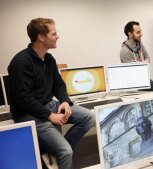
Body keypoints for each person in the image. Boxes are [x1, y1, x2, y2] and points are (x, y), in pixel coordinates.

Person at [7, 18, 95, 169]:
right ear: (41, 37)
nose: (58, 36)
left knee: (89, 118)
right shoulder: (20, 62)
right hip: (28, 114)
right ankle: (61, 152)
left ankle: (55, 152)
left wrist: (65, 101)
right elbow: (24, 99)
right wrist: (50, 116)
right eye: (54, 33)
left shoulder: (48, 59)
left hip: (49, 105)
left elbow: (58, 84)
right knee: (66, 152)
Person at [120, 21, 153, 94]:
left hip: (144, 79)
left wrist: (141, 64)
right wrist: (143, 64)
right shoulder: (125, 51)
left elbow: (148, 58)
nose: (141, 34)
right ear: (130, 34)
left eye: (141, 31)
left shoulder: (139, 43)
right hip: (136, 84)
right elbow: (136, 71)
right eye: (138, 32)